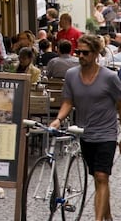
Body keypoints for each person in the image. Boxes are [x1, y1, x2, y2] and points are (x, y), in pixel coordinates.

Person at [50, 34, 121, 221]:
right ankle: (108, 217)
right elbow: (67, 102)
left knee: (101, 176)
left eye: (85, 52)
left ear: (96, 53)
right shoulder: (71, 75)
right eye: (78, 52)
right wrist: (58, 119)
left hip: (107, 134)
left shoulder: (110, 77)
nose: (80, 55)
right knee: (98, 180)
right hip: (85, 134)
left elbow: (120, 105)